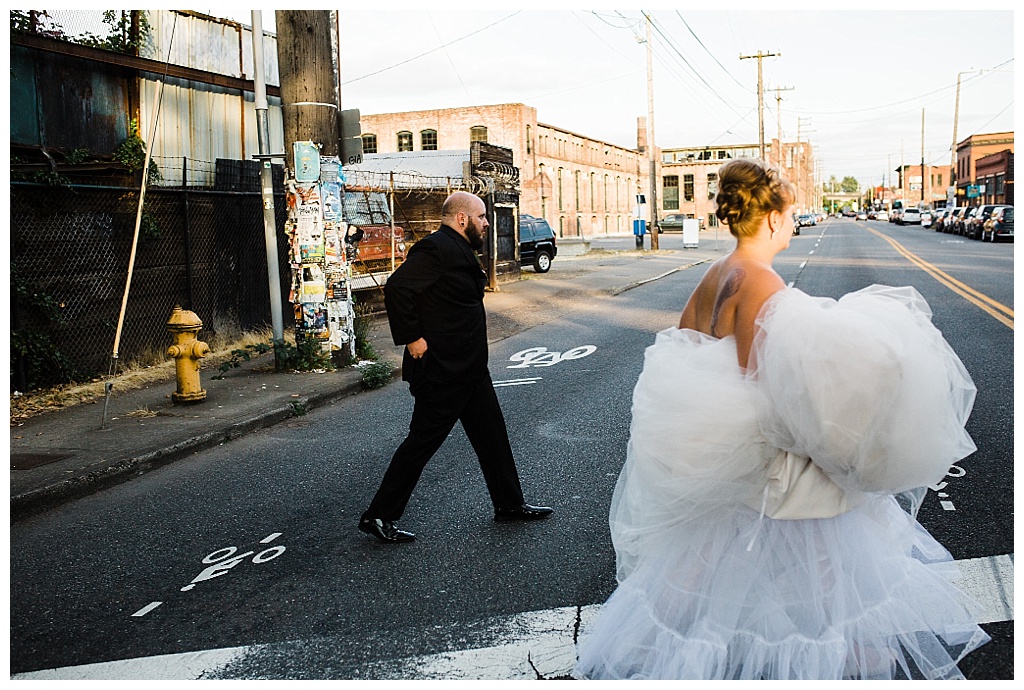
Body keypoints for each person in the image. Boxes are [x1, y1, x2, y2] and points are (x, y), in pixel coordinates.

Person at [574, 159, 989, 679]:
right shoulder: (760, 282)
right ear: (770, 218)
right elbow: (770, 384)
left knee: (711, 574)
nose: (793, 223)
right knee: (828, 579)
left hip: (722, 463)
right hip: (764, 463)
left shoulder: (715, 274)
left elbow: (682, 348)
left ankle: (678, 662)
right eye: (791, 213)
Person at [359, 191, 552, 544]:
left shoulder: (457, 248)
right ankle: (379, 515)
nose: (487, 222)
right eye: (482, 217)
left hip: (470, 369)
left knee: (493, 438)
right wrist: (413, 337)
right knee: (421, 444)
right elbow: (398, 287)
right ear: (462, 219)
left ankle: (509, 504)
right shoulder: (436, 248)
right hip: (443, 372)